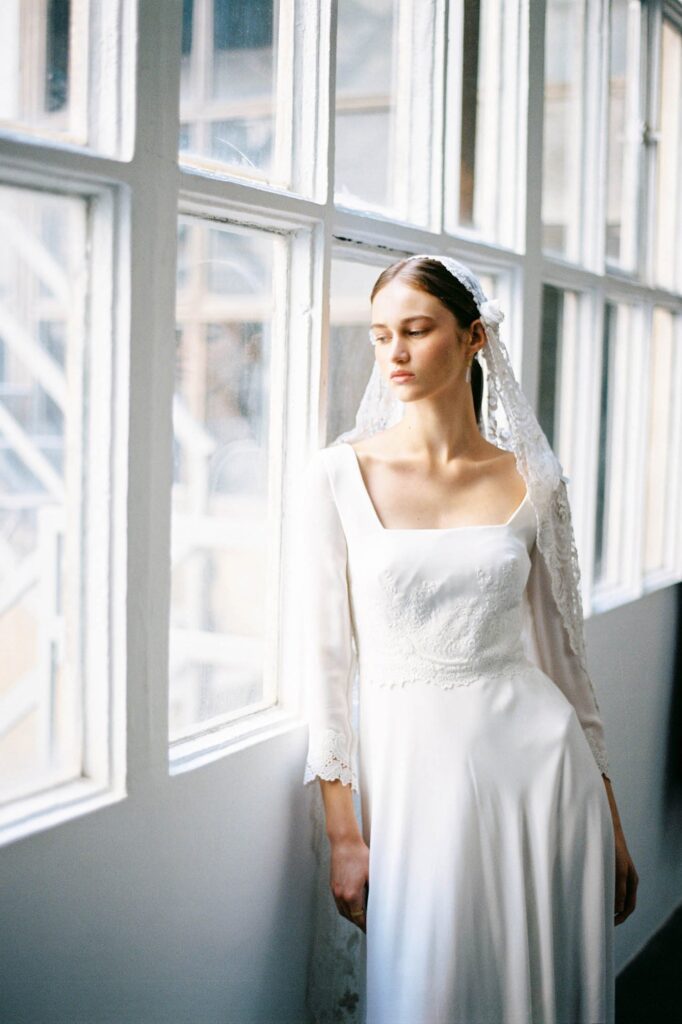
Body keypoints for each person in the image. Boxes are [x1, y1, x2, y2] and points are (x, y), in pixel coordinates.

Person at [297, 255, 638, 1024]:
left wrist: (614, 823)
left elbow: (566, 663)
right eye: (382, 335)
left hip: (544, 783)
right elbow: (324, 666)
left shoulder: (533, 480)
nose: (395, 354)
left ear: (473, 337)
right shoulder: (337, 477)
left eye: (417, 331)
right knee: (427, 995)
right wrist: (344, 836)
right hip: (414, 787)